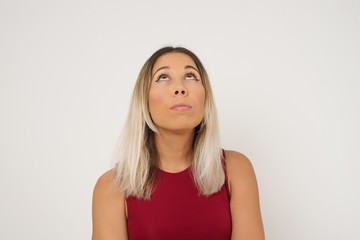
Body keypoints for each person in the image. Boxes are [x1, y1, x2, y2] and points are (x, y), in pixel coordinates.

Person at [92, 46, 265, 240]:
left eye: (191, 76)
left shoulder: (236, 169)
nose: (180, 88)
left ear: (205, 97)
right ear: (144, 101)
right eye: (163, 77)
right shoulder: (112, 187)